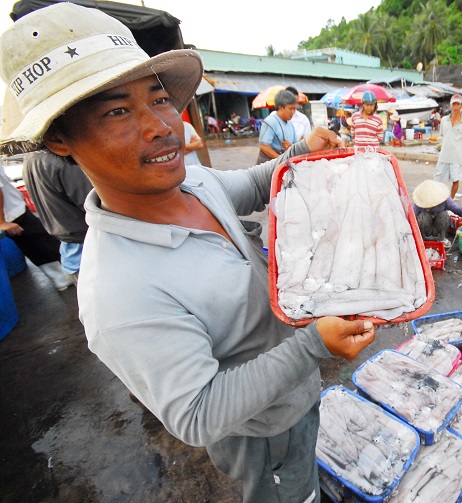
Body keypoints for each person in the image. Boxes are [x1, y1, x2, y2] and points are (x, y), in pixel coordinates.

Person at [0, 5, 375, 502]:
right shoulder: (118, 292)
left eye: (158, 98)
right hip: (257, 430)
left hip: (296, 393)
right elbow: (197, 414)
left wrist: (300, 153)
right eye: (117, 111)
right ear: (59, 138)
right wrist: (313, 346)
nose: (162, 126)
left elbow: (256, 184)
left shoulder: (193, 182)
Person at [22, 150, 93, 283]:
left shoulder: (32, 156)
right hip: (85, 249)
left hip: (71, 249)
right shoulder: (62, 160)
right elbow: (95, 205)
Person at [0, 161, 72, 290]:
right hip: (11, 214)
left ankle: (63, 277)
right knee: (40, 243)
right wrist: (1, 221)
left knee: (39, 241)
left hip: (13, 210)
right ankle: (63, 278)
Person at [411, 180, 462, 247]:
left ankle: (441, 238)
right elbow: (412, 218)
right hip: (426, 228)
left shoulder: (445, 200)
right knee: (423, 216)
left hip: (439, 227)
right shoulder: (419, 203)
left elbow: (458, 209)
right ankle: (423, 239)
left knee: (444, 215)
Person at [435, 94, 462, 199]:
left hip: (456, 157)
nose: (455, 107)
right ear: (451, 106)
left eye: (457, 104)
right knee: (437, 179)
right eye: (453, 104)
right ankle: (437, 199)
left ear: (461, 106)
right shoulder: (444, 120)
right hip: (444, 155)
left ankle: (451, 200)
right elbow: (442, 136)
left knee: (455, 180)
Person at [257, 89, 298, 164]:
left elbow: (295, 143)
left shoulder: (290, 124)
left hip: (283, 160)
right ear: (281, 107)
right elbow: (263, 146)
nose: (293, 112)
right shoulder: (270, 121)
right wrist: (281, 160)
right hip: (268, 164)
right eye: (290, 109)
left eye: (294, 109)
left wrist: (291, 146)